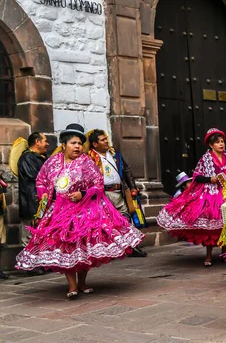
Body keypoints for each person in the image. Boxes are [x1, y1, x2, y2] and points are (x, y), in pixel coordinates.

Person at [15, 124, 144, 298]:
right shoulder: (52, 162)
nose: (77, 146)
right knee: (66, 247)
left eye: (79, 144)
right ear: (64, 145)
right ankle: (72, 285)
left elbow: (98, 185)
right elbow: (41, 181)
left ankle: (82, 282)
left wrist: (82, 193)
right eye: (73, 143)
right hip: (59, 212)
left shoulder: (86, 162)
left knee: (83, 248)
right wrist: (45, 197)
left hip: (84, 210)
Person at [157, 128, 226, 266]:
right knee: (211, 226)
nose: (221, 144)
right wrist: (210, 179)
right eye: (217, 142)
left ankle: (225, 251)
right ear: (211, 145)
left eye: (222, 142)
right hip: (211, 194)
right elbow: (197, 176)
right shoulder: (205, 159)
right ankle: (209, 255)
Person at [87, 130, 147, 258]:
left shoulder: (115, 154)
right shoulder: (89, 157)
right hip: (102, 195)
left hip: (119, 193)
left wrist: (132, 187)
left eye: (105, 139)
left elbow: (126, 171)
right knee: (106, 223)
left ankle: (131, 247)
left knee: (125, 219)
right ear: (95, 144)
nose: (106, 141)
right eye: (102, 140)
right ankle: (111, 250)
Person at [17, 132, 49, 275]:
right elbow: (37, 177)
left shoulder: (41, 158)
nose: (47, 144)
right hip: (31, 200)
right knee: (30, 233)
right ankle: (29, 265)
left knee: (41, 232)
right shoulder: (27, 158)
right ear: (37, 142)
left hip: (40, 201)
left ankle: (40, 262)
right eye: (45, 141)